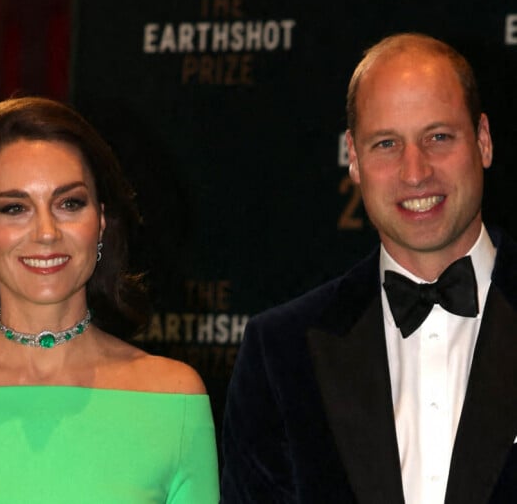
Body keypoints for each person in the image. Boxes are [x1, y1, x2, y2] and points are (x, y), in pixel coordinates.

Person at [220, 33, 517, 503]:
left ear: (483, 141)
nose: (415, 172)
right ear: (354, 159)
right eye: (386, 144)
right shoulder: (279, 354)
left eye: (438, 137)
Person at [0, 96, 219, 503]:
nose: (47, 231)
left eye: (69, 203)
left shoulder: (174, 398)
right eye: (15, 208)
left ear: (100, 220)